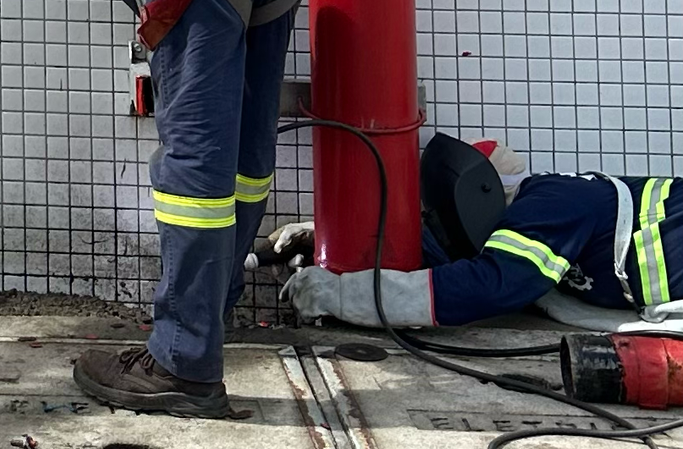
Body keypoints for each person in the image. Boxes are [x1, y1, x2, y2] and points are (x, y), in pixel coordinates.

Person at [27, 0, 330, 418]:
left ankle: (183, 361)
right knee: (248, 132)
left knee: (195, 138)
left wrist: (160, 15)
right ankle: (208, 317)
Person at [282, 130, 683, 327]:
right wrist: (334, 236)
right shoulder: (541, 217)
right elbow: (441, 252)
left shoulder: (548, 202)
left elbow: (487, 284)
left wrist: (340, 294)